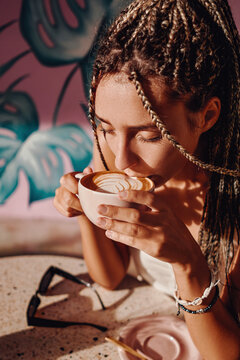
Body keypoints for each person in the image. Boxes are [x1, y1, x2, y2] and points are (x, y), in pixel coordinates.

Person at [54, 0, 240, 358]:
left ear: (207, 115)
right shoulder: (113, 153)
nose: (122, 160)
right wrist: (86, 204)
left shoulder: (230, 197)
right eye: (105, 128)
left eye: (149, 136)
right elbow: (109, 277)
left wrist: (189, 265)